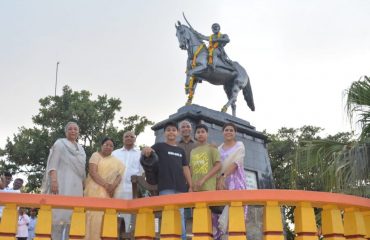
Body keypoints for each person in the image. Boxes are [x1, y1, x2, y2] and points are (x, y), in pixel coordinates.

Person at [141, 121, 193, 240]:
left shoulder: (181, 151)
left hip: (181, 187)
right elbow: (147, 153)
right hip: (165, 187)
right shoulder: (159, 146)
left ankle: (182, 238)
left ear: (178, 133)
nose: (171, 132)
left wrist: (190, 185)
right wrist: (146, 150)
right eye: (168, 130)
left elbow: (185, 168)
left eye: (174, 130)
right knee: (168, 213)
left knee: (180, 214)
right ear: (164, 133)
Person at [42, 121, 86, 240]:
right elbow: (53, 164)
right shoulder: (60, 143)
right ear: (66, 132)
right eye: (70, 129)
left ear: (78, 132)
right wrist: (54, 181)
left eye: (75, 129)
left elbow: (82, 170)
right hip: (62, 184)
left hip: (76, 187)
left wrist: (84, 184)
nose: (73, 131)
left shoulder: (81, 148)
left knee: (73, 217)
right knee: (58, 215)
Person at [84, 137, 124, 240]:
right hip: (93, 191)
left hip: (109, 193)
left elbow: (119, 176)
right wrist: (106, 185)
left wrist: (113, 187)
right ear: (101, 146)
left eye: (111, 146)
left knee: (105, 216)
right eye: (106, 144)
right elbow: (93, 172)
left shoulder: (117, 162)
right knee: (93, 216)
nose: (108, 147)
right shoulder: (95, 155)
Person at [213, 122, 248, 239]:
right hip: (222, 185)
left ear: (235, 133)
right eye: (226, 130)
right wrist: (219, 179)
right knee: (218, 214)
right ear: (222, 132)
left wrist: (223, 175)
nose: (228, 132)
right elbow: (217, 166)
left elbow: (236, 163)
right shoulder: (218, 149)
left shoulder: (240, 145)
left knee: (236, 211)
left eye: (231, 130)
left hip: (236, 182)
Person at [112, 131, 143, 236]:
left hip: (132, 189)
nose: (129, 138)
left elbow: (142, 172)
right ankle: (112, 235)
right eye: (126, 136)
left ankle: (126, 236)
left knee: (129, 216)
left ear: (135, 139)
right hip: (116, 188)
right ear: (123, 138)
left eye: (131, 136)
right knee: (113, 214)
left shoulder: (140, 154)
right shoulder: (115, 153)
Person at [190, 124, 221, 192]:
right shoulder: (193, 151)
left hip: (208, 188)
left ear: (207, 134)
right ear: (195, 135)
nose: (200, 134)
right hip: (195, 189)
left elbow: (218, 166)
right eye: (198, 132)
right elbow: (191, 169)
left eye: (203, 132)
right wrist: (190, 186)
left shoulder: (212, 148)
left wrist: (203, 179)